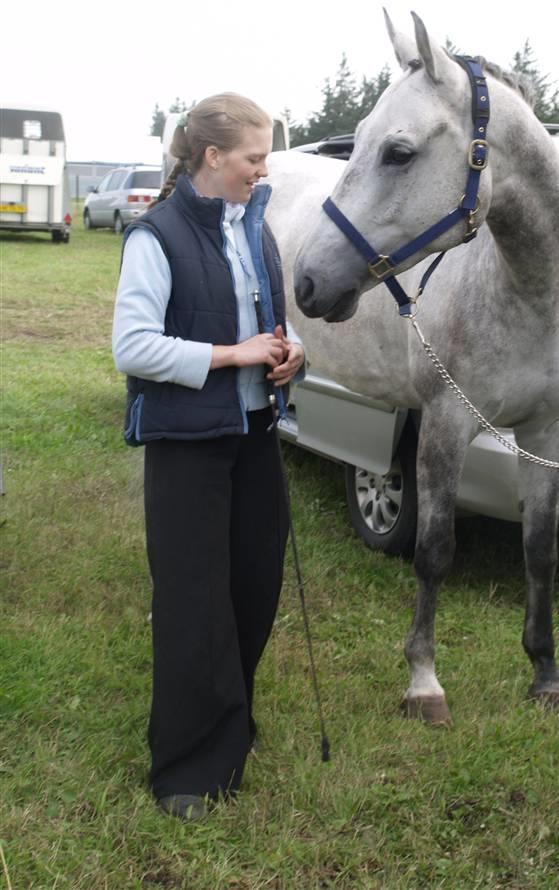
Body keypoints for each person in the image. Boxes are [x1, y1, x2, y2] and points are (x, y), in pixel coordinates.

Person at [112, 93, 305, 821]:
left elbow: (273, 327)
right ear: (214, 156)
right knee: (195, 604)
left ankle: (231, 725)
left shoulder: (257, 232)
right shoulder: (154, 236)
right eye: (254, 158)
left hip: (255, 437)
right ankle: (185, 770)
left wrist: (291, 353)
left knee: (253, 588)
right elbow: (132, 347)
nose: (263, 170)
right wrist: (234, 355)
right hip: (186, 447)